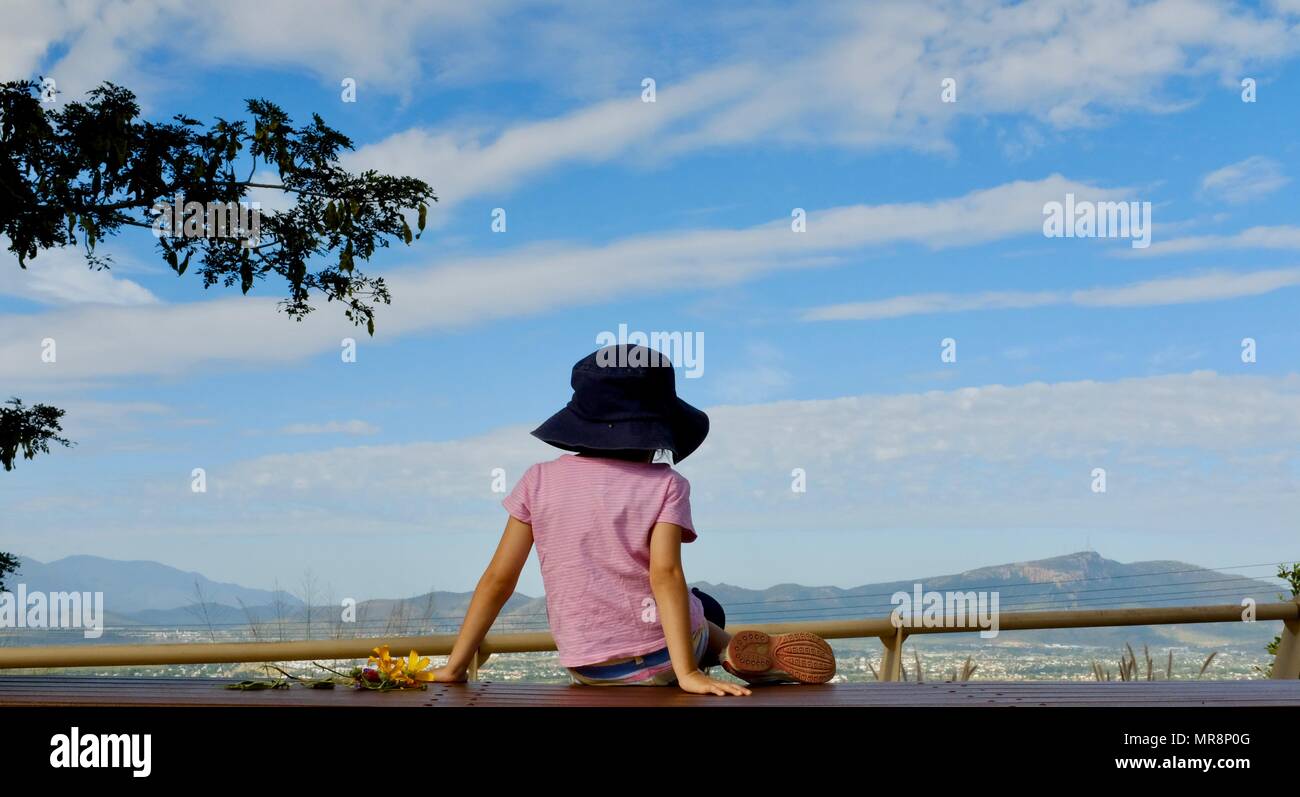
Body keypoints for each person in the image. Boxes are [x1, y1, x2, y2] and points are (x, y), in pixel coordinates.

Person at [431, 344, 836, 695]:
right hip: (663, 660)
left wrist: (455, 666)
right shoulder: (666, 484)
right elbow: (665, 576)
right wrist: (688, 673)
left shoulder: (537, 480)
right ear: (660, 427)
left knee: (694, 605)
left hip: (589, 667)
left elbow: (499, 579)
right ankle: (731, 652)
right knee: (706, 607)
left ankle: (732, 652)